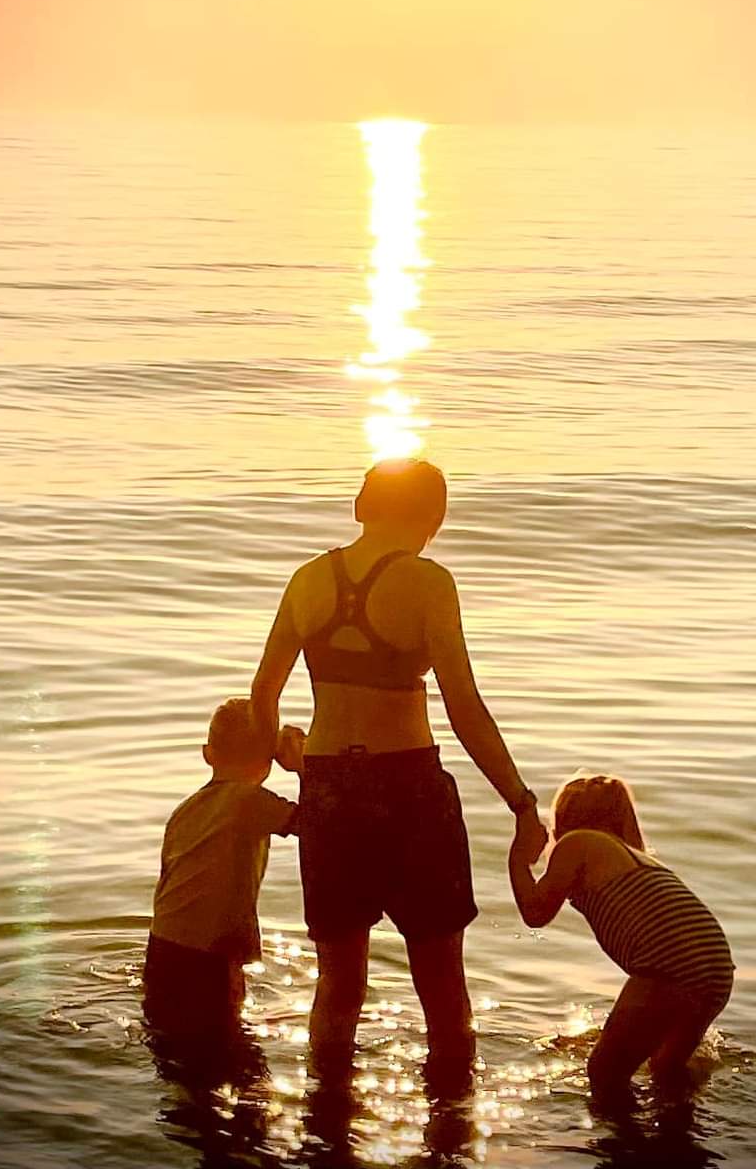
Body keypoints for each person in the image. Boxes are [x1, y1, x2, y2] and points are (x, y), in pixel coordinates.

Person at [249, 457, 546, 1084]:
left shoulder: (307, 580)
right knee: (441, 988)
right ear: (433, 517)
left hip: (328, 789)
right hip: (409, 788)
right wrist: (521, 802)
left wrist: (284, 750)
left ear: (363, 506)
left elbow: (262, 695)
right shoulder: (429, 583)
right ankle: (451, 1132)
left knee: (339, 986)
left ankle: (326, 1128)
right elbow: (464, 708)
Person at [509, 774, 733, 1098]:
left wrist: (518, 859)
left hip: (669, 962)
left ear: (567, 818)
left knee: (604, 1073)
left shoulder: (578, 843)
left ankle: (625, 1147)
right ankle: (679, 1139)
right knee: (666, 1069)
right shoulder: (636, 858)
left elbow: (535, 913)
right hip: (716, 965)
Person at [143, 698, 302, 1042]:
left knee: (169, 1043)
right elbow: (319, 823)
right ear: (269, 761)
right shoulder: (250, 801)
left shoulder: (186, 810)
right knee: (228, 1049)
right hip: (212, 954)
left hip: (163, 945)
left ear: (207, 753)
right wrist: (305, 767)